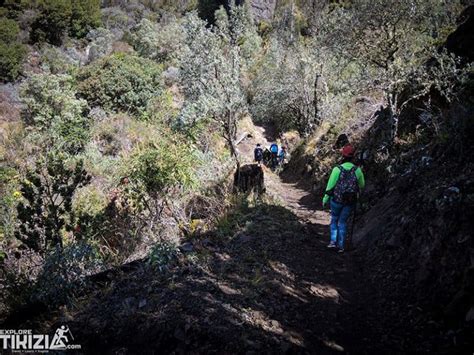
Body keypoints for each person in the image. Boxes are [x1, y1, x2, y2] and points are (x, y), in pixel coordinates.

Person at [322, 144, 365, 253]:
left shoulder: (337, 169)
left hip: (336, 199)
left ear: (343, 155)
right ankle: (341, 246)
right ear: (353, 156)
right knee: (342, 222)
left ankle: (332, 242)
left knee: (334, 220)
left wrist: (325, 199)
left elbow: (330, 186)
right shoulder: (357, 170)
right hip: (350, 202)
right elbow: (362, 185)